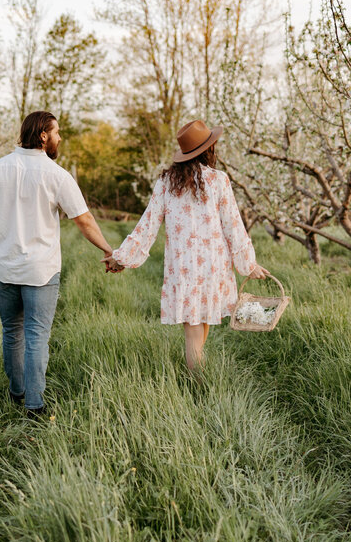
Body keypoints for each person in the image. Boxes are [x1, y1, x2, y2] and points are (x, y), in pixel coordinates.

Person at [0, 111, 118, 419]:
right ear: (43, 136)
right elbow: (84, 220)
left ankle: (16, 393)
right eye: (57, 133)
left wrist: (0, 245)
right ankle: (35, 406)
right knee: (36, 334)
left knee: (11, 331)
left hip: (5, 267)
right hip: (40, 270)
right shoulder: (56, 175)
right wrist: (109, 250)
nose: (60, 138)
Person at [105, 120, 269, 372]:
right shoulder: (218, 180)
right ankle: (201, 389)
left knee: (197, 331)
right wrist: (249, 264)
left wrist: (121, 258)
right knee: (198, 332)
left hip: (183, 269)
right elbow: (233, 226)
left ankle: (198, 385)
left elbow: (147, 225)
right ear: (208, 150)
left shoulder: (166, 183)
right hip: (213, 267)